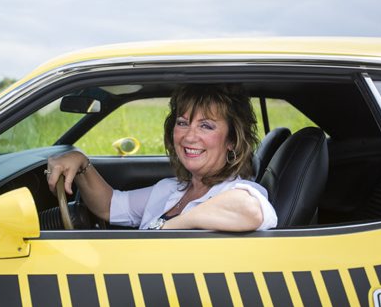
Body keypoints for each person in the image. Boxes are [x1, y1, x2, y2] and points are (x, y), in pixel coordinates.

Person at [46, 84, 277, 231]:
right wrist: (81, 163)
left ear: (232, 141)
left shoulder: (238, 191)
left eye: (206, 126)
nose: (189, 136)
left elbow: (250, 210)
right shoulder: (170, 190)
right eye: (182, 123)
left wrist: (168, 228)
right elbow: (108, 206)